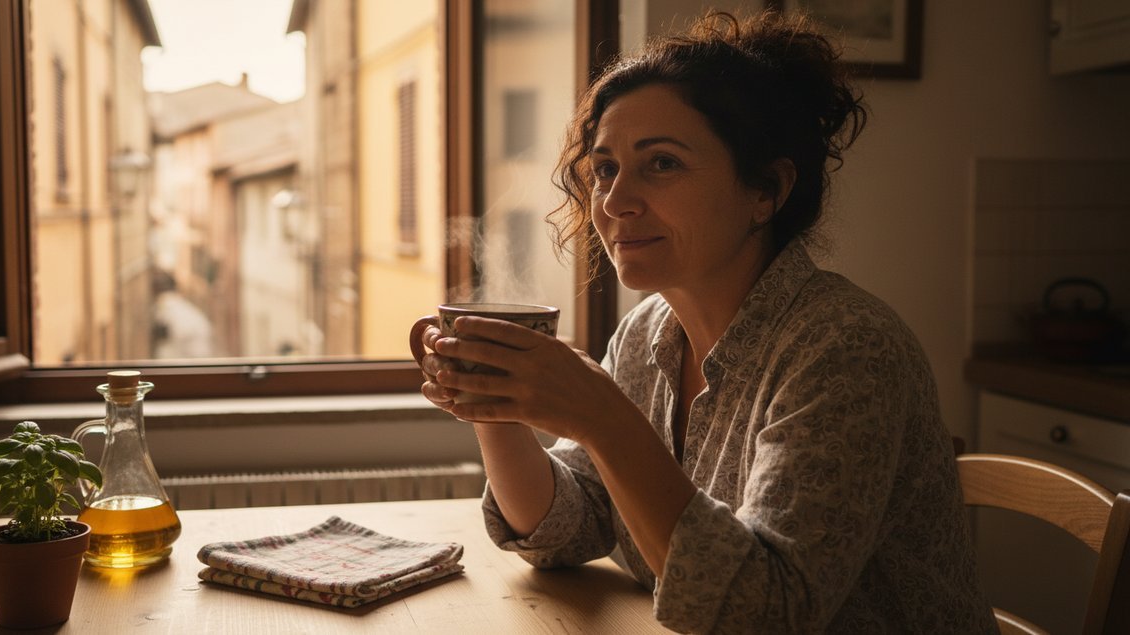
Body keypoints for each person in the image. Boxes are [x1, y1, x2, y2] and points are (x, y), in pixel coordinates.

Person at [413, 10, 997, 633]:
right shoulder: (646, 333)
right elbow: (567, 527)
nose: (613, 201)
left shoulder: (846, 347)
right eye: (606, 168)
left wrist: (602, 417)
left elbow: (764, 613)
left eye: (661, 163)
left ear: (766, 190)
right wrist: (493, 404)